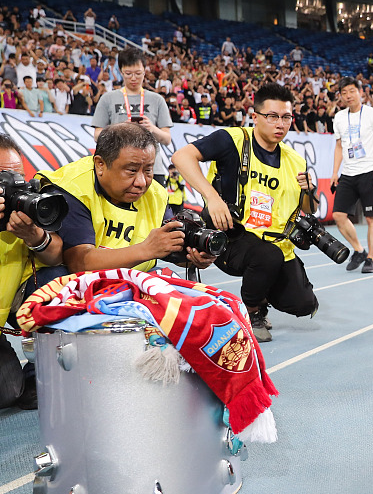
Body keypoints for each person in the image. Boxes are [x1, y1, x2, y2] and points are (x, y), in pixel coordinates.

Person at [171, 83, 319, 343]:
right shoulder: (232, 140)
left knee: (304, 304)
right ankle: (252, 310)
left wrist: (309, 191)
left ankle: (261, 289)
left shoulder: (295, 160)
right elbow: (182, 157)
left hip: (274, 242)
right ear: (255, 117)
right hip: (231, 236)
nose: (280, 124)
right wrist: (212, 198)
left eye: (286, 117)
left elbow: (308, 209)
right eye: (272, 116)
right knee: (267, 257)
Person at [41, 123, 215, 275]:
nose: (141, 182)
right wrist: (146, 249)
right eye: (131, 170)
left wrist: (193, 257)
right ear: (100, 164)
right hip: (73, 281)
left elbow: (167, 248)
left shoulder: (156, 194)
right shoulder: (73, 188)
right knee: (53, 275)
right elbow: (79, 263)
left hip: (131, 275)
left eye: (148, 170)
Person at [0, 135, 65, 410]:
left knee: (58, 279)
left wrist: (35, 236)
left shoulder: (24, 205)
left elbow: (56, 253)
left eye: (18, 176)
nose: (13, 186)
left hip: (8, 309)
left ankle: (38, 374)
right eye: (3, 179)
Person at [93, 47, 174, 185]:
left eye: (138, 73)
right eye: (128, 73)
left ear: (145, 71)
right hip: (119, 168)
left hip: (152, 169)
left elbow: (167, 139)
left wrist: (151, 128)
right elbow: (97, 135)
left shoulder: (157, 99)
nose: (134, 78)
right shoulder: (108, 98)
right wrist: (118, 129)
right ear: (121, 72)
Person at [330, 76, 373, 274]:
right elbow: (339, 146)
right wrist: (335, 172)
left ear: (360, 92)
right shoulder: (339, 117)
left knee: (372, 217)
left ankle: (370, 258)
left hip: (369, 172)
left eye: (352, 91)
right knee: (338, 215)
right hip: (348, 173)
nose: (348, 96)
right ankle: (359, 250)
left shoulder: (372, 114)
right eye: (344, 93)